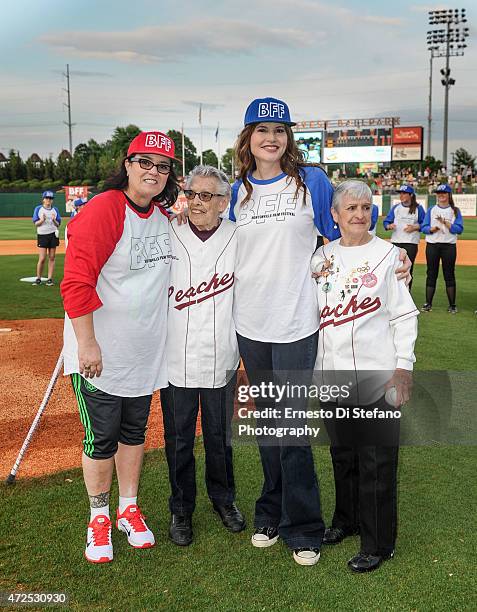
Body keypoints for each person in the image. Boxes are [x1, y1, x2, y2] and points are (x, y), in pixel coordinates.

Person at [228, 98, 413, 566]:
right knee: (269, 426)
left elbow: (344, 242)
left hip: (297, 324)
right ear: (247, 137)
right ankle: (270, 512)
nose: (272, 138)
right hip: (250, 324)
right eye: (262, 129)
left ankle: (304, 526)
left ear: (289, 138)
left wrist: (394, 261)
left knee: (291, 428)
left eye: (280, 129)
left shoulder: (309, 181)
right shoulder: (237, 191)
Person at [61, 131, 179, 564]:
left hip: (143, 352)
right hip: (101, 354)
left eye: (162, 166)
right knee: (101, 438)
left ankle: (128, 507)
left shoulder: (163, 216)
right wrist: (87, 342)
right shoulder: (106, 209)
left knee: (134, 434)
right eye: (144, 162)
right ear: (127, 165)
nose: (153, 171)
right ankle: (98, 515)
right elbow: (76, 282)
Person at [312, 179, 419, 573]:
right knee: (343, 455)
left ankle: (379, 542)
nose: (359, 215)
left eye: (365, 207)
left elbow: (404, 316)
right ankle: (347, 519)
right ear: (335, 216)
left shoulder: (391, 256)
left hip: (375, 376)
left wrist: (403, 367)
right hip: (331, 375)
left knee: (376, 460)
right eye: (350, 209)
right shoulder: (320, 258)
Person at [161, 165, 245, 547]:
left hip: (221, 356)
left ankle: (223, 500)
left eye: (207, 195)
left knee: (219, 436)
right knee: (178, 438)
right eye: (192, 193)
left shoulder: (239, 236)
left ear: (224, 202)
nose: (197, 202)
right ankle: (181, 508)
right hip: (174, 356)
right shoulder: (167, 231)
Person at [421, 183, 464, 314]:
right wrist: (431, 229)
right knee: (431, 274)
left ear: (449, 195)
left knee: (449, 274)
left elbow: (459, 229)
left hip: (449, 246)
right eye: (439, 193)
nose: (441, 196)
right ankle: (428, 303)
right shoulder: (431, 209)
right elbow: (424, 228)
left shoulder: (455, 210)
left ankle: (452, 305)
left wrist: (446, 223)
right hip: (432, 245)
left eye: (443, 193)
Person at [383, 185, 426, 291]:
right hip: (396, 242)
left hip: (411, 243)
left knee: (408, 270)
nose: (401, 195)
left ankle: (407, 294)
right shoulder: (396, 207)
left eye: (404, 193)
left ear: (411, 195)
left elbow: (425, 224)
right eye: (400, 193)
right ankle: (393, 293)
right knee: (394, 269)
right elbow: (386, 222)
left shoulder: (418, 208)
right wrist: (389, 226)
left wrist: (415, 227)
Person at [32, 190, 61, 286]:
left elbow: (58, 224)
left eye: (51, 198)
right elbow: (36, 223)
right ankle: (38, 278)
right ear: (43, 199)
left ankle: (49, 279)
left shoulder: (55, 210)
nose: (49, 200)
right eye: (47, 198)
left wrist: (54, 220)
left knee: (52, 257)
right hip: (42, 235)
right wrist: (42, 220)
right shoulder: (38, 209)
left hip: (53, 234)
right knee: (42, 258)